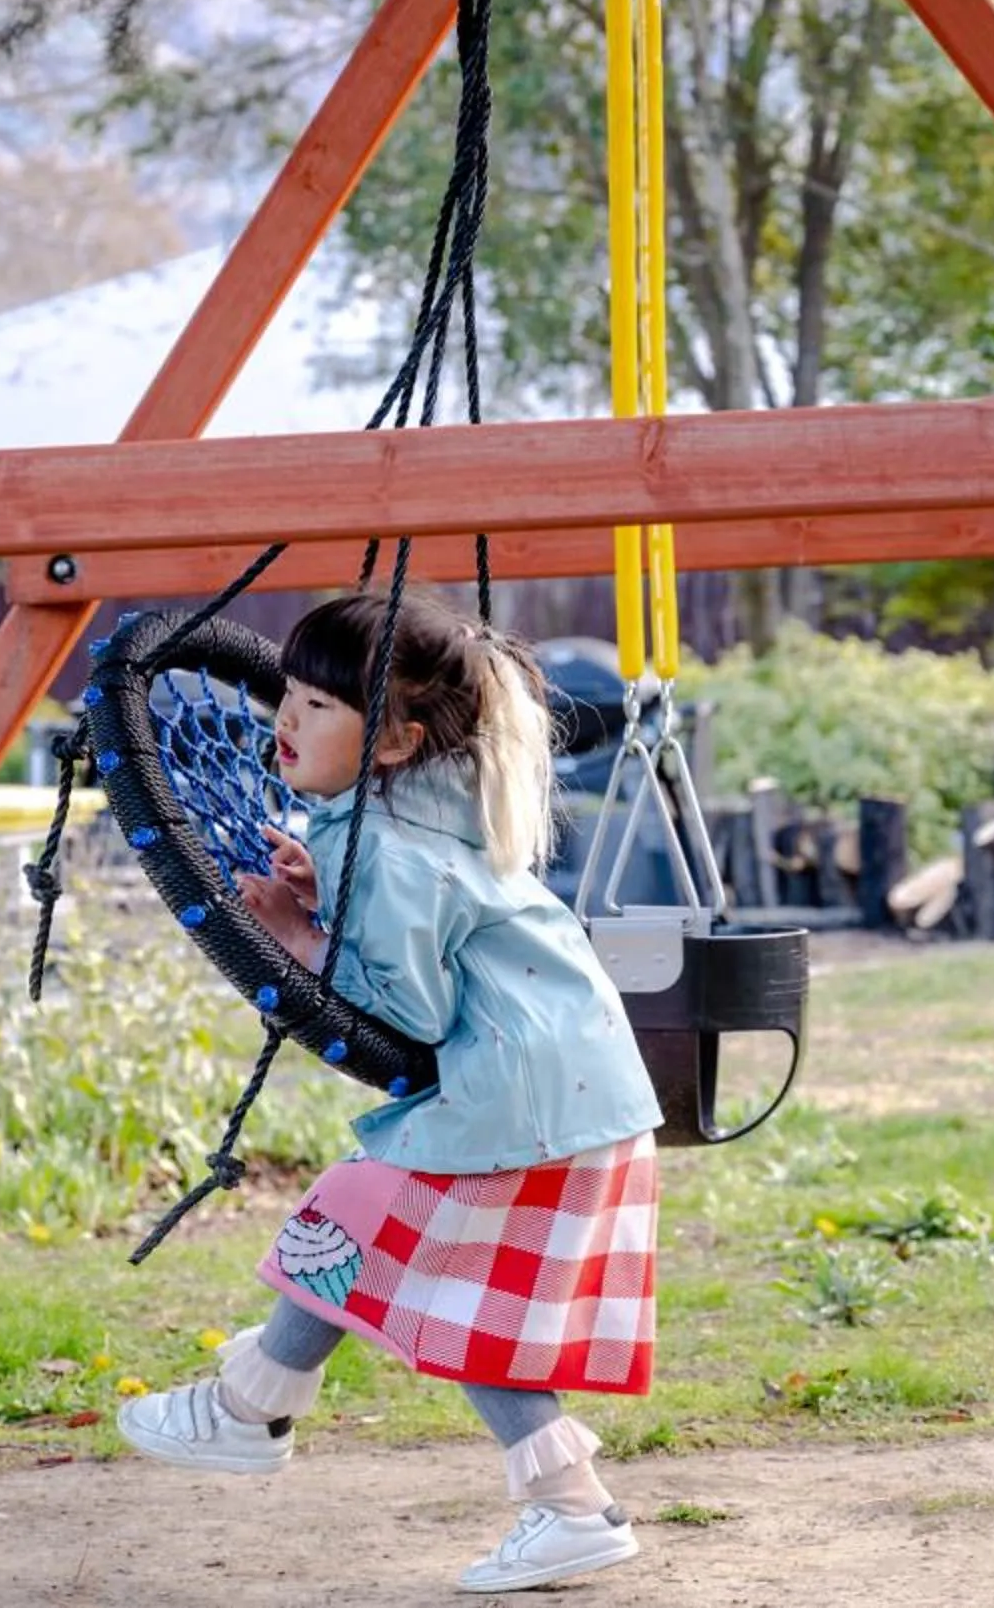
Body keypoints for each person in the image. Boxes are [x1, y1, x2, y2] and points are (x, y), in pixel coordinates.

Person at [117, 591, 665, 1595]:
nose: (286, 717)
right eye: (288, 692)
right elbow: (427, 951)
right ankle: (267, 1406)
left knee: (374, 1236)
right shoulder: (422, 821)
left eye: (320, 705)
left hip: (520, 1099)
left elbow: (405, 1010)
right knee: (407, 1262)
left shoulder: (375, 844)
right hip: (566, 1093)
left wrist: (295, 936)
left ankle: (259, 1407)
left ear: (398, 742)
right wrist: (324, 907)